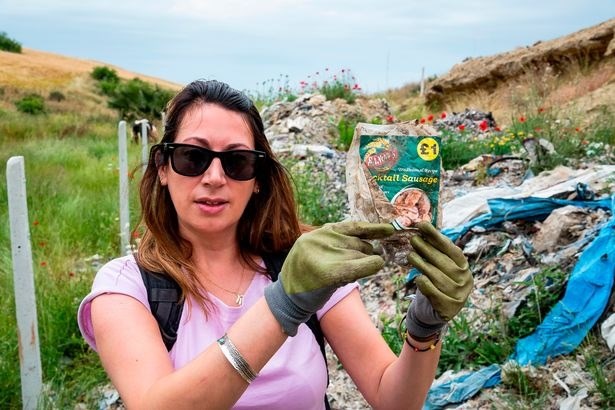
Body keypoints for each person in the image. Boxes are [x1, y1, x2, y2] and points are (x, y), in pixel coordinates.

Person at [78, 79, 473, 409]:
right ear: (163, 169)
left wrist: (424, 328)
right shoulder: (126, 288)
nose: (215, 177)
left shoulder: (304, 261)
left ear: (259, 179)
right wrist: (284, 305)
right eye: (192, 157)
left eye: (237, 163)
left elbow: (392, 399)